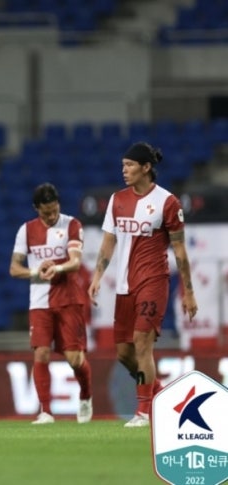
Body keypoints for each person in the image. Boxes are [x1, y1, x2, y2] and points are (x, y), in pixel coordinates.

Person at [88, 142, 198, 428]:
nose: (124, 170)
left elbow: (181, 252)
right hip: (124, 285)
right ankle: (161, 396)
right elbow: (109, 241)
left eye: (129, 165)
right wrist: (98, 276)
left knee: (141, 344)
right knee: (124, 354)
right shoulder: (116, 200)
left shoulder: (167, 202)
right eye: (123, 165)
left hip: (153, 281)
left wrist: (188, 291)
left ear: (146, 167)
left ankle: (144, 412)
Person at [10, 182, 93, 425]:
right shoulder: (26, 231)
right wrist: (36, 272)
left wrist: (56, 268)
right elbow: (14, 269)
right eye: (46, 212)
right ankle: (45, 411)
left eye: (54, 209)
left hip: (69, 298)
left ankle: (86, 395)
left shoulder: (72, 225)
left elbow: (75, 262)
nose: (51, 215)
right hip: (39, 301)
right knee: (41, 353)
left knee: (74, 359)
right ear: (37, 209)